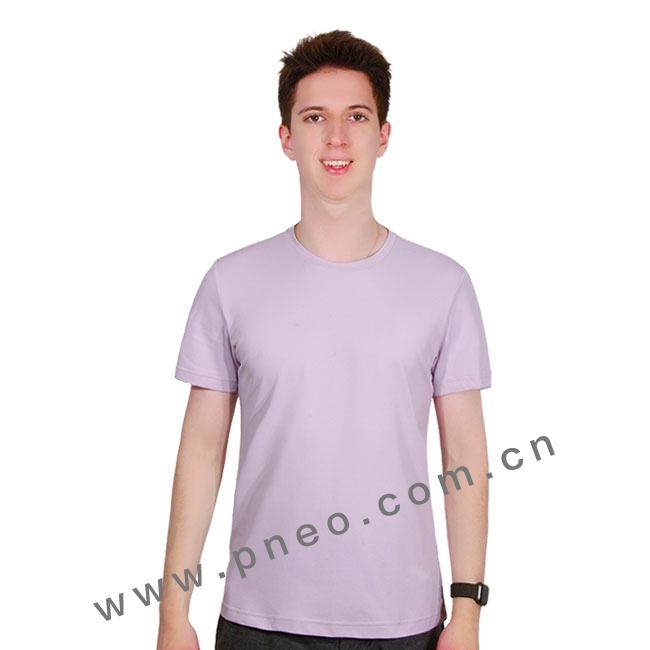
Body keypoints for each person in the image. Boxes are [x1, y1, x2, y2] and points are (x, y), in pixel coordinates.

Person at [157, 30, 492, 650]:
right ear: (286, 137)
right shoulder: (231, 282)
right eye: (315, 117)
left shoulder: (443, 285)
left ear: (383, 135)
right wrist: (172, 614)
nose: (336, 138)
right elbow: (202, 453)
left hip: (404, 623)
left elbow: (464, 457)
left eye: (356, 117)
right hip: (259, 621)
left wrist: (467, 610)